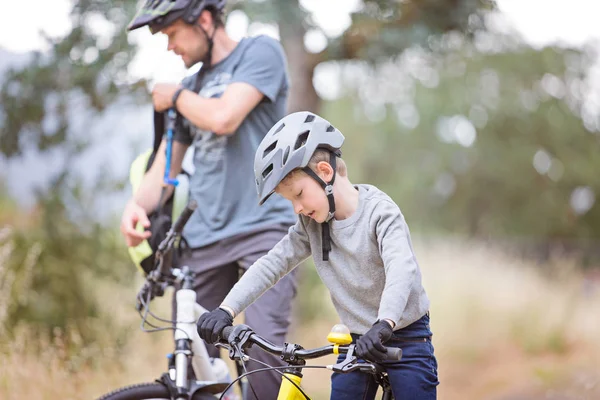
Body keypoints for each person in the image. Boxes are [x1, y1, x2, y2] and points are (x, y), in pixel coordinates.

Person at [120, 1, 298, 398]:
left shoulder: (259, 53)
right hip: (202, 239)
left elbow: (224, 117)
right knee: (195, 362)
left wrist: (176, 97)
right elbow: (165, 170)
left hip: (263, 230)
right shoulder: (192, 88)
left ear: (203, 20)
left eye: (171, 34)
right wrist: (136, 206)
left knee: (264, 358)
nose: (170, 47)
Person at [198, 111, 440, 399]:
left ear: (325, 172)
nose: (297, 208)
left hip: (406, 335)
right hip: (356, 342)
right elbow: (272, 264)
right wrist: (227, 310)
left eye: (299, 194)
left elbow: (401, 269)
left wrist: (385, 322)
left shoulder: (380, 213)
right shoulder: (312, 224)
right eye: (291, 201)